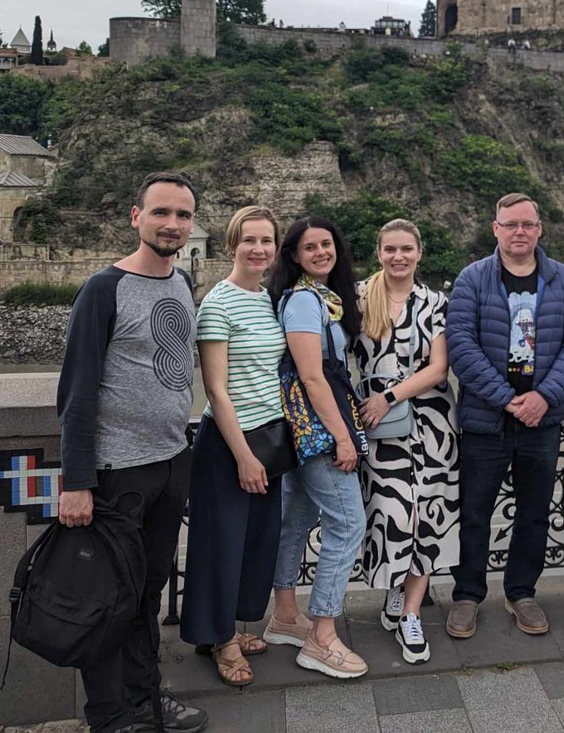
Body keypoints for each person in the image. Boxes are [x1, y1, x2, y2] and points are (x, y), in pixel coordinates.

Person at [56, 171, 207, 733]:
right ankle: (110, 716)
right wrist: (77, 481)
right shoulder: (104, 289)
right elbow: (76, 392)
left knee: (147, 591)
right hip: (117, 469)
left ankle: (146, 700)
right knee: (109, 597)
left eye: (183, 215)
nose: (172, 224)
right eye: (161, 212)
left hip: (171, 460)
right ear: (136, 216)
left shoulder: (182, 283)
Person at [445, 193, 564, 639]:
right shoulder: (472, 279)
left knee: (534, 512)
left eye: (527, 224)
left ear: (539, 229)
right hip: (486, 419)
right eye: (510, 225)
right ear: (496, 229)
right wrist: (508, 399)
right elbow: (460, 345)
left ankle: (521, 591)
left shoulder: (561, 278)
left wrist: (544, 396)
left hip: (541, 420)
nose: (519, 232)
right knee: (474, 511)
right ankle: (467, 595)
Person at [180, 207, 285, 687]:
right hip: (229, 444)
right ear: (231, 245)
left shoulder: (269, 299)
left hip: (269, 438)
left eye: (266, 241)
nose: (258, 249)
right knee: (219, 544)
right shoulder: (217, 304)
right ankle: (220, 640)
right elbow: (216, 390)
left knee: (254, 542)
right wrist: (242, 455)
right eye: (249, 240)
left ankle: (224, 626)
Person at [262, 217, 368, 678]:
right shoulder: (306, 301)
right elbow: (310, 375)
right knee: (347, 523)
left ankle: (286, 614)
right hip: (318, 429)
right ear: (294, 255)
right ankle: (322, 636)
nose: (321, 252)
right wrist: (343, 437)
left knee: (297, 519)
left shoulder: (317, 297)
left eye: (327, 244)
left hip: (300, 430)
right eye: (310, 247)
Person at [354, 218, 458, 664]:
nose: (399, 257)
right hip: (378, 427)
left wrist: (389, 396)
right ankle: (394, 587)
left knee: (428, 517)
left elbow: (438, 368)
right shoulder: (359, 298)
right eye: (390, 249)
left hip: (433, 424)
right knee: (392, 514)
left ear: (419, 253)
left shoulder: (436, 302)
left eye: (407, 249)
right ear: (379, 252)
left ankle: (412, 612)